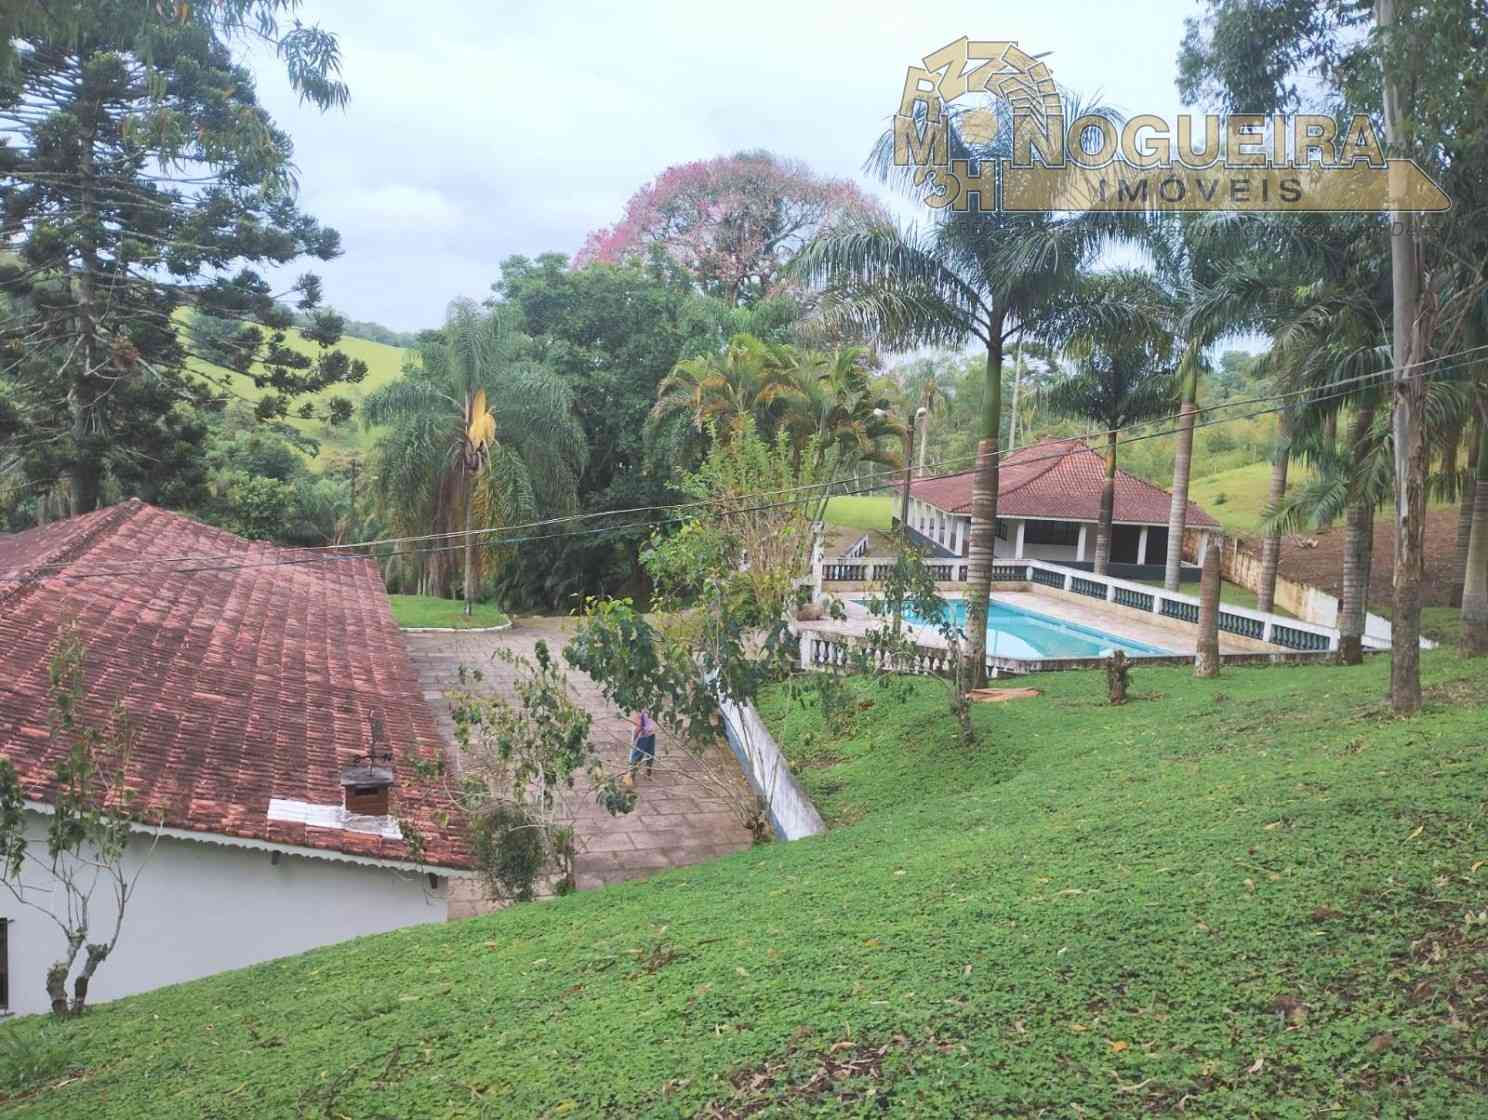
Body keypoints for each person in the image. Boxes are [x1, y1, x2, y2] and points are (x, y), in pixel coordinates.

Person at [628, 709, 657, 782]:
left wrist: (634, 738)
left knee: (637, 755)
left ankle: (631, 775)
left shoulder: (638, 711)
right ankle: (648, 771)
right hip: (651, 732)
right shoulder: (650, 707)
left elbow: (638, 726)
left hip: (643, 735)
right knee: (650, 753)